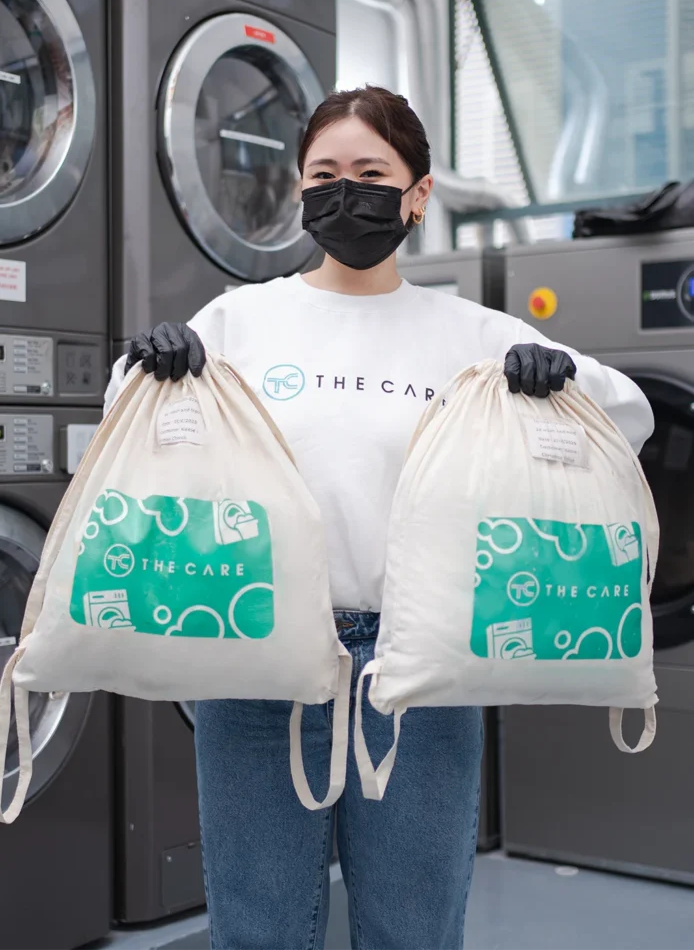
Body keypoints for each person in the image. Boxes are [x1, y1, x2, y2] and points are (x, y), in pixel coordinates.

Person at [105, 86, 654, 950]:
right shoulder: (238, 320)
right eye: (325, 174)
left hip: (421, 663)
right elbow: (125, 439)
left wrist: (558, 381)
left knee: (412, 929)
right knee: (259, 929)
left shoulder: (469, 331)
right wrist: (144, 371)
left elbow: (630, 417)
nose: (345, 192)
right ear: (298, 190)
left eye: (371, 173)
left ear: (418, 194)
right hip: (258, 656)